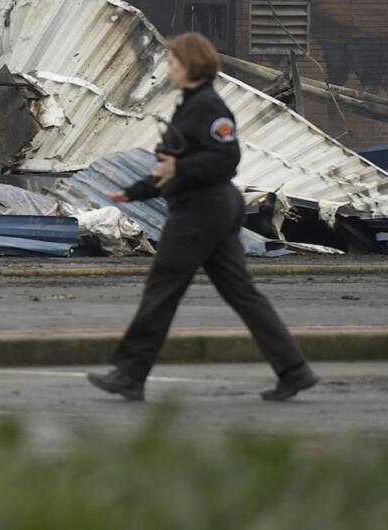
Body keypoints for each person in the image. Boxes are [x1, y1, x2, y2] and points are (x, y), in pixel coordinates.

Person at [87, 32, 318, 402]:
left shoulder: (208, 107)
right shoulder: (190, 104)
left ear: (191, 64)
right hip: (211, 207)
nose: (169, 68)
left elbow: (225, 159)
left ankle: (130, 373)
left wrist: (179, 166)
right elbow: (171, 167)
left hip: (202, 209)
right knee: (242, 293)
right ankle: (294, 370)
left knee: (162, 287)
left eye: (173, 62)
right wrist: (134, 192)